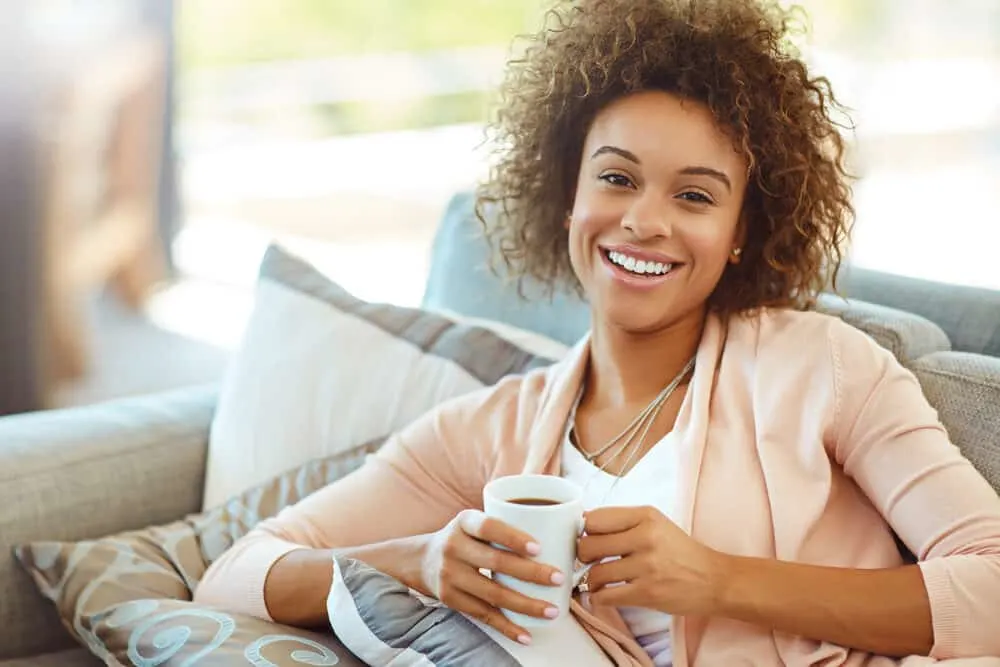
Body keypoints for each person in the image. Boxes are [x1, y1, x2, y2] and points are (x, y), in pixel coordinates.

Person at [194, 0, 1000, 664]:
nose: (644, 221)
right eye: (616, 178)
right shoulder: (491, 430)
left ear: (743, 229)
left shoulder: (821, 366)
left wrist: (716, 579)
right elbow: (235, 575)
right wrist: (421, 560)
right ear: (568, 197)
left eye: (695, 195)